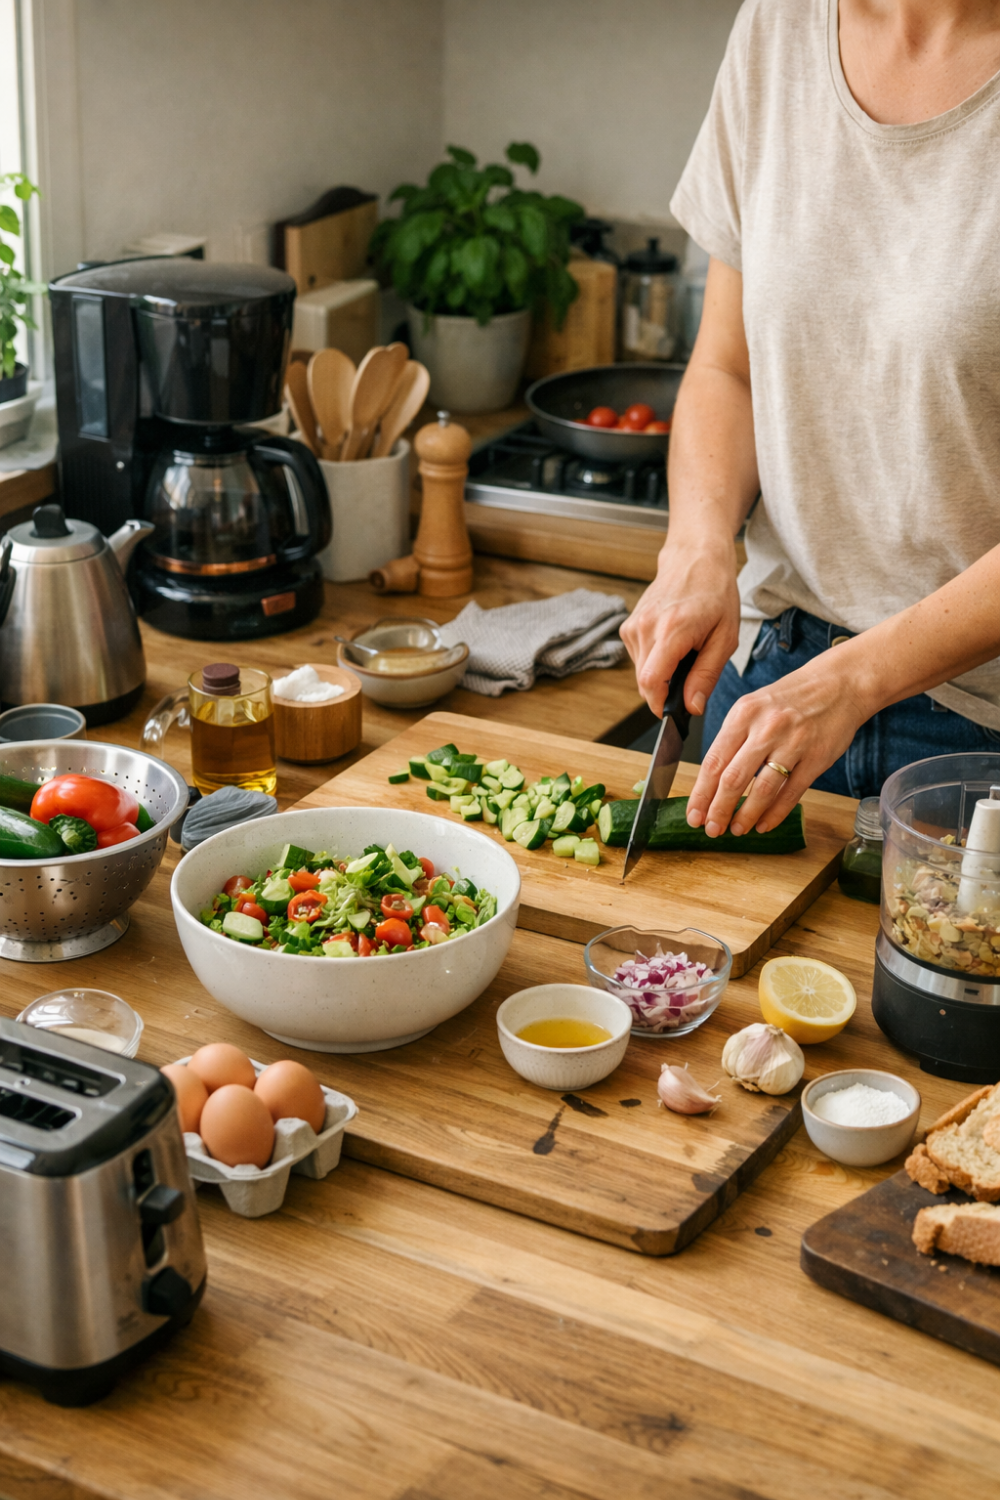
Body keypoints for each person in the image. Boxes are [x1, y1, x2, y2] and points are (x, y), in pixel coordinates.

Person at [621, 0, 1000, 841]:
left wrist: (857, 678)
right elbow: (729, 369)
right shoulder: (779, 26)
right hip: (771, 679)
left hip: (978, 735)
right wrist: (696, 546)